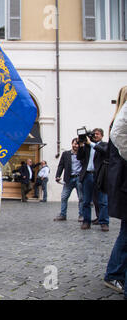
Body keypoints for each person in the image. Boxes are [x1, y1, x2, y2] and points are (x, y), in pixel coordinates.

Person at [103, 86, 127, 299]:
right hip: (122, 181)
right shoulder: (118, 123)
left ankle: (115, 272)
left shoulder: (115, 120)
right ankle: (114, 272)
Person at [77, 128, 109, 231]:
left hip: (100, 175)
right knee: (86, 201)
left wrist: (90, 143)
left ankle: (104, 222)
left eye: (97, 134)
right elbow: (79, 157)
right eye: (94, 134)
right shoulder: (87, 145)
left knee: (102, 201)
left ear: (102, 135)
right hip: (88, 175)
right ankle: (86, 222)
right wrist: (81, 145)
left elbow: (104, 151)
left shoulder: (104, 145)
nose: (95, 136)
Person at [54, 138, 84, 222]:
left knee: (81, 198)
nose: (76, 146)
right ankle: (63, 215)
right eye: (75, 144)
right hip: (69, 178)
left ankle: (81, 215)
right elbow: (61, 165)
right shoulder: (65, 154)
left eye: (77, 144)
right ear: (72, 144)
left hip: (79, 178)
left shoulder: (83, 154)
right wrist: (57, 175)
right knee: (64, 197)